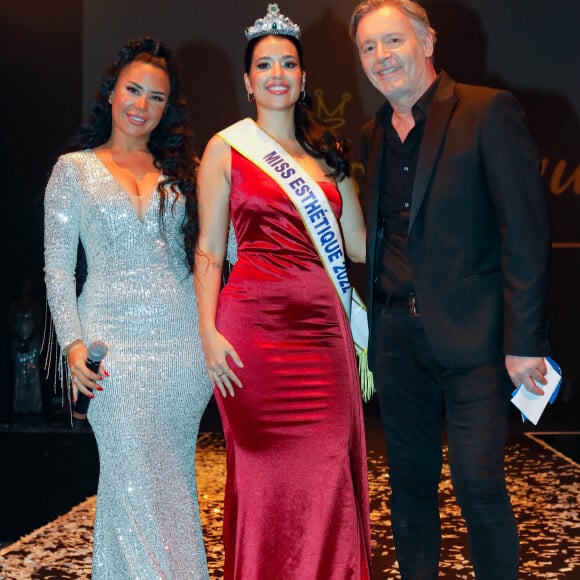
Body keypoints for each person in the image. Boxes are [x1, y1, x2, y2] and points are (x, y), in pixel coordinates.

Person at [349, 1, 551, 578]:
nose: (381, 57)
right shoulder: (373, 134)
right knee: (409, 490)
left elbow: (525, 231)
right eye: (369, 48)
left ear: (426, 42)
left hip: (473, 340)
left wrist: (525, 340)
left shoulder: (487, 111)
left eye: (392, 41)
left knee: (478, 484)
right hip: (397, 341)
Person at [194, 4, 372, 578]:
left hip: (324, 338)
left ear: (303, 78)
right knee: (264, 472)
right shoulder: (226, 149)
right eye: (265, 64)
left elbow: (361, 247)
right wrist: (208, 333)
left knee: (328, 473)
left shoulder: (329, 156)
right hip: (253, 337)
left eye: (288, 64)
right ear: (248, 82)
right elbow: (209, 251)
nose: (277, 73)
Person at [44, 38, 211, 579]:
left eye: (157, 97)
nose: (142, 105)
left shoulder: (186, 171)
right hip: (110, 352)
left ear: (169, 109)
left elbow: (220, 249)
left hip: (183, 353)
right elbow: (57, 268)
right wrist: (70, 344)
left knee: (165, 492)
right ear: (112, 92)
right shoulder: (73, 170)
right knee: (132, 480)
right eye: (133, 90)